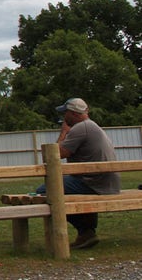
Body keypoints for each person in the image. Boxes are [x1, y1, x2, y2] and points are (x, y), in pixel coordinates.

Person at [35, 97, 120, 250]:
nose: (63, 117)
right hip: (104, 181)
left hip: (94, 182)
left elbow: (55, 154)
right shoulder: (91, 126)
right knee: (68, 186)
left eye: (65, 113)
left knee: (44, 191)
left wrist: (64, 131)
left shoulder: (80, 128)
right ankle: (86, 233)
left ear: (73, 113)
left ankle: (86, 232)